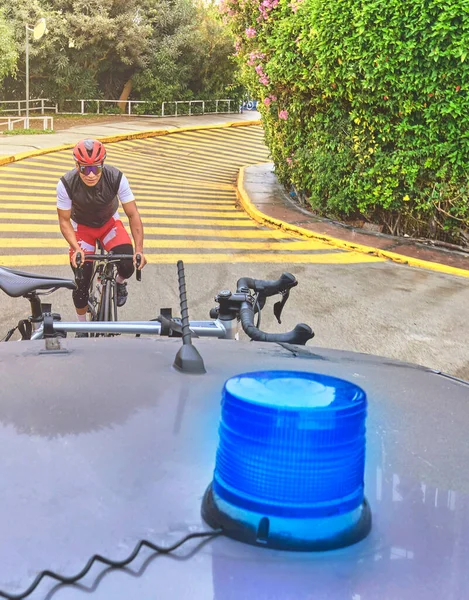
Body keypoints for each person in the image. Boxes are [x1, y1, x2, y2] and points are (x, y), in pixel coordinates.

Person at [56, 139, 147, 336]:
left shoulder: (116, 177)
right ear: (76, 165)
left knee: (128, 263)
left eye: (95, 169)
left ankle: (120, 283)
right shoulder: (65, 184)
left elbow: (133, 215)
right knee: (80, 282)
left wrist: (139, 250)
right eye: (84, 168)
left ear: (103, 165)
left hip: (109, 224)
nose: (90, 174)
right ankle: (81, 327)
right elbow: (64, 221)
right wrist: (76, 248)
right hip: (82, 228)